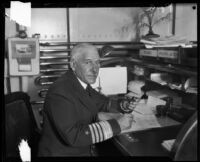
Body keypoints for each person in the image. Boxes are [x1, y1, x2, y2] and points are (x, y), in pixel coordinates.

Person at [38, 43, 138, 156]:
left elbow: (101, 102)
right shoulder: (60, 92)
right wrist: (117, 125)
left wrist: (122, 104)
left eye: (97, 62)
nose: (95, 69)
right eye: (88, 62)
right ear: (73, 64)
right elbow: (74, 136)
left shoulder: (79, 83)